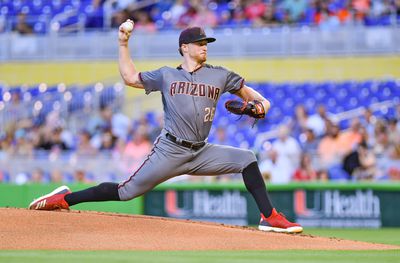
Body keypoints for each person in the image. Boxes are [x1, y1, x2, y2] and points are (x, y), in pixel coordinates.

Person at [29, 21, 302, 233]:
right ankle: (66, 198)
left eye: (206, 42)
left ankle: (269, 216)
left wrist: (261, 105)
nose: (204, 46)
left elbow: (254, 96)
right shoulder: (167, 75)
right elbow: (128, 77)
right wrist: (123, 43)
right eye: (199, 43)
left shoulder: (220, 74)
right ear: (185, 47)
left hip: (202, 151)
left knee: (247, 159)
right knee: (126, 192)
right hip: (170, 150)